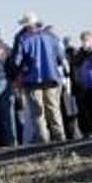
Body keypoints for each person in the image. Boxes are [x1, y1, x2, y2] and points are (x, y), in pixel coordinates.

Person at [12, 12, 66, 143]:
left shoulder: (23, 38)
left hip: (31, 79)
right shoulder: (51, 36)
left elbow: (17, 61)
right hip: (51, 77)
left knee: (37, 112)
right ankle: (59, 137)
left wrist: (17, 73)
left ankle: (43, 139)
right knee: (53, 108)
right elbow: (60, 56)